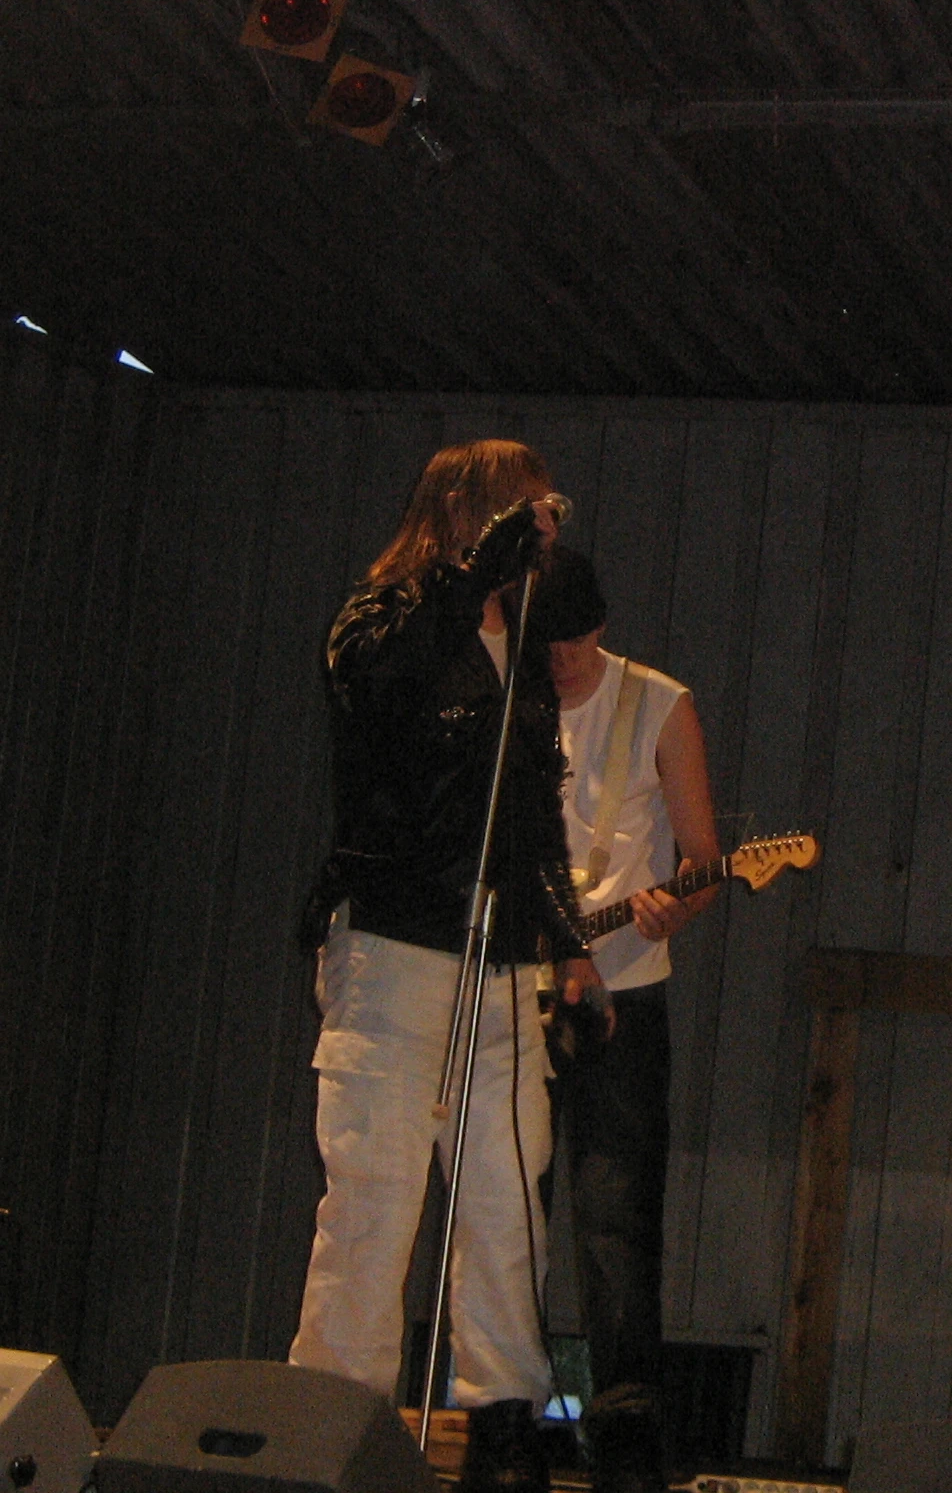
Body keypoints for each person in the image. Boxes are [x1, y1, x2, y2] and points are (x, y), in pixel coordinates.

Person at [290, 440, 606, 1493]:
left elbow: (534, 816)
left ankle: (504, 1420)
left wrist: (568, 942)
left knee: (506, 1200)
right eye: (526, 509)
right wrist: (471, 577)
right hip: (395, 944)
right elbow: (379, 695)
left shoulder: (523, 647)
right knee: (374, 1198)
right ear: (475, 513)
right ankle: (335, 1422)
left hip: (500, 960)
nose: (544, 527)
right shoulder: (381, 618)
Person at [527, 549, 721, 1493]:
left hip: (625, 992)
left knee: (615, 1219)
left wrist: (674, 906)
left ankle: (628, 1439)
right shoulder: (507, 702)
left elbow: (702, 859)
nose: (561, 660)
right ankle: (504, 1418)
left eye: (574, 641)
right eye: (546, 643)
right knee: (504, 1214)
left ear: (601, 626)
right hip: (513, 990)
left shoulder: (660, 704)